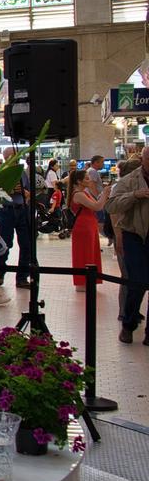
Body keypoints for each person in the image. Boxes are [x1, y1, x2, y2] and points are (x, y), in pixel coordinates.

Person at [107, 146, 149, 344]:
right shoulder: (129, 180)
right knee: (137, 282)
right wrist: (135, 196)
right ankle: (128, 323)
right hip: (134, 236)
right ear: (143, 160)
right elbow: (111, 205)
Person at [0, 147, 33, 288]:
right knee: (4, 244)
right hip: (6, 211)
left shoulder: (22, 172)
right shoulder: (1, 172)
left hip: (22, 209)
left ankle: (22, 277)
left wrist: (26, 193)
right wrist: (8, 190)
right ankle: (0, 271)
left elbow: (28, 189)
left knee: (26, 244)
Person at [110, 159, 142, 323]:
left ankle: (133, 311)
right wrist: (119, 238)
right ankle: (124, 312)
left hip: (136, 237)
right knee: (127, 276)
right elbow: (114, 213)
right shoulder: (122, 187)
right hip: (125, 235)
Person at [67, 170, 109, 291]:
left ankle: (88, 281)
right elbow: (97, 206)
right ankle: (83, 282)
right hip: (83, 227)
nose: (89, 180)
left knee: (90, 253)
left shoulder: (83, 193)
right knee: (84, 254)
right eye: (86, 179)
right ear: (79, 181)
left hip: (88, 226)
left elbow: (96, 204)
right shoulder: (78, 194)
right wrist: (105, 193)